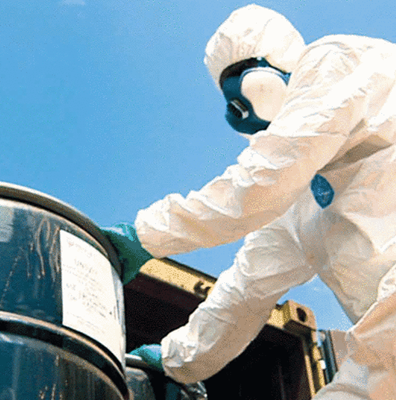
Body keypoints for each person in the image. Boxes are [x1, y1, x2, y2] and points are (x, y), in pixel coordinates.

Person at [102, 4, 396, 399]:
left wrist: (146, 235)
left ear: (273, 69)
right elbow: (246, 290)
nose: (240, 112)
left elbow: (265, 178)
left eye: (243, 84)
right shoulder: (298, 202)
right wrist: (176, 359)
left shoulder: (338, 62)